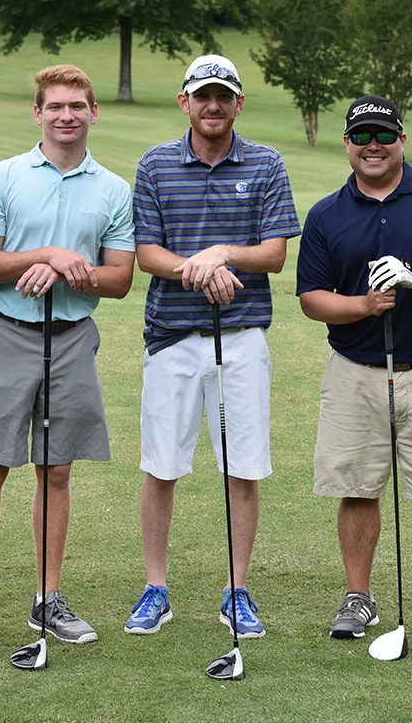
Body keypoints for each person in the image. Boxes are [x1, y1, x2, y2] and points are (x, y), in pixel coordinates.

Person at [0, 65, 134, 650]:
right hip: (9, 333)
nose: (66, 115)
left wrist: (69, 271)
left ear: (93, 113)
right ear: (37, 113)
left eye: (77, 106)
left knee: (56, 469)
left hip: (73, 337)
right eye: (55, 106)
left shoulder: (113, 189)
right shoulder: (3, 177)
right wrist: (49, 254)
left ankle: (48, 599)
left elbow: (120, 279)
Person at [296, 94, 412, 646]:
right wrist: (363, 305)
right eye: (362, 136)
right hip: (355, 371)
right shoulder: (326, 214)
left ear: (402, 140)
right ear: (347, 144)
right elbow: (311, 298)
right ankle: (358, 597)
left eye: (384, 135)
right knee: (357, 487)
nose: (373, 145)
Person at [125, 54, 301, 639]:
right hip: (172, 338)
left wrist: (220, 253)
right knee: (161, 466)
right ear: (185, 102)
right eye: (203, 95)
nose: (213, 105)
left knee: (242, 468)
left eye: (224, 95)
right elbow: (147, 253)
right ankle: (155, 588)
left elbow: (273, 254)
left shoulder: (266, 163)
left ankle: (236, 590)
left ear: (238, 104)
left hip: (242, 337)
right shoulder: (154, 164)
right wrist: (200, 269)